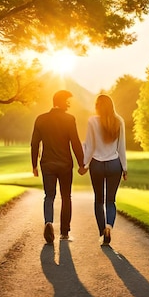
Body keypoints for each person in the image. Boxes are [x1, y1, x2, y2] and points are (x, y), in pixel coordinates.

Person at [31, 90, 86, 244]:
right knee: (66, 197)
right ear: (62, 102)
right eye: (68, 100)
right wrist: (82, 164)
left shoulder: (41, 119)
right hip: (65, 165)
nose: (69, 103)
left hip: (47, 164)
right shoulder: (69, 119)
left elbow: (34, 143)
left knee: (49, 196)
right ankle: (64, 233)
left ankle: (48, 222)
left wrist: (34, 165)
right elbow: (75, 142)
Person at [82, 94, 127, 246]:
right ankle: (109, 226)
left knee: (99, 200)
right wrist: (125, 168)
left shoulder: (92, 121)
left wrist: (85, 164)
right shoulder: (119, 120)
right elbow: (121, 147)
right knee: (111, 200)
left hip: (97, 164)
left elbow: (90, 145)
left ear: (98, 106)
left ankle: (102, 232)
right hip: (114, 164)